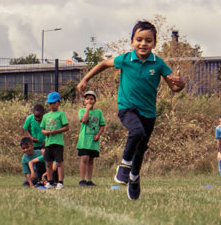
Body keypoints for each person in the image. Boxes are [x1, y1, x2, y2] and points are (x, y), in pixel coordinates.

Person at [76, 21, 186, 200]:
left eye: (148, 41)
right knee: (136, 131)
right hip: (127, 108)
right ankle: (124, 166)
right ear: (132, 42)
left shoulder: (158, 64)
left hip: (149, 112)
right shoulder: (125, 59)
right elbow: (104, 64)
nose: (143, 44)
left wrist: (181, 85)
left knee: (141, 149)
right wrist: (85, 79)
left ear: (154, 43)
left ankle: (134, 177)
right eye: (139, 39)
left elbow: (174, 87)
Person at [78, 91, 107, 186]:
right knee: (84, 158)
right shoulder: (82, 111)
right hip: (84, 139)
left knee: (91, 159)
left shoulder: (98, 112)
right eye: (87, 99)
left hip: (94, 140)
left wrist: (98, 135)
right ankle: (82, 179)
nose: (89, 100)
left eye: (91, 98)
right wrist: (87, 110)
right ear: (84, 101)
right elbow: (84, 120)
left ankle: (89, 180)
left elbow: (102, 125)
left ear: (95, 100)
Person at [41, 91, 69, 189]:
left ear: (58, 103)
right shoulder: (45, 116)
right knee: (48, 163)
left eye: (54, 103)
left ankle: (60, 182)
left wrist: (56, 131)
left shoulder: (61, 114)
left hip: (58, 142)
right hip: (48, 143)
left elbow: (66, 127)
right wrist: (45, 132)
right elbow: (42, 129)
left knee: (59, 162)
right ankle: (50, 181)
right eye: (50, 103)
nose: (52, 105)